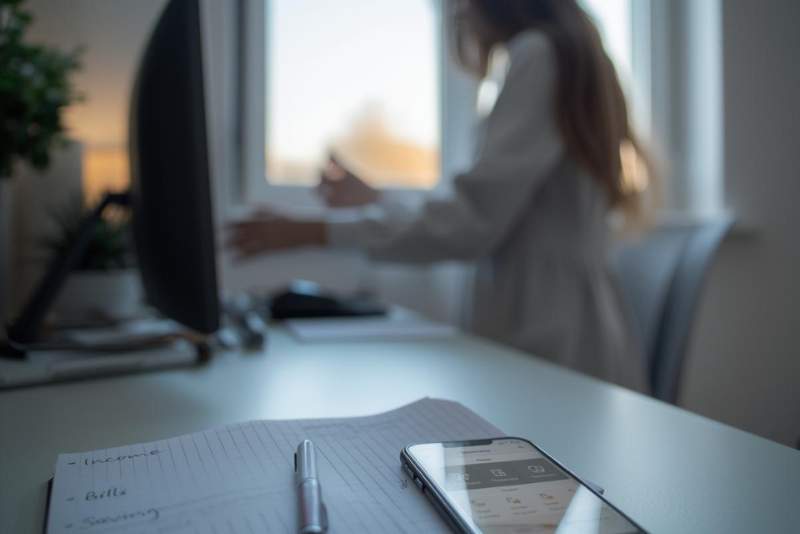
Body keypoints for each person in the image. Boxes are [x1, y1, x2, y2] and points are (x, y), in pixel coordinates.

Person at [228, 0, 658, 392]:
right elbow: (486, 210)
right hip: (567, 331)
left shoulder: (539, 55)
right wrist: (374, 200)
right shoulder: (562, 52)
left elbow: (471, 224)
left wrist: (313, 231)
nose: (458, 16)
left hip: (554, 338)